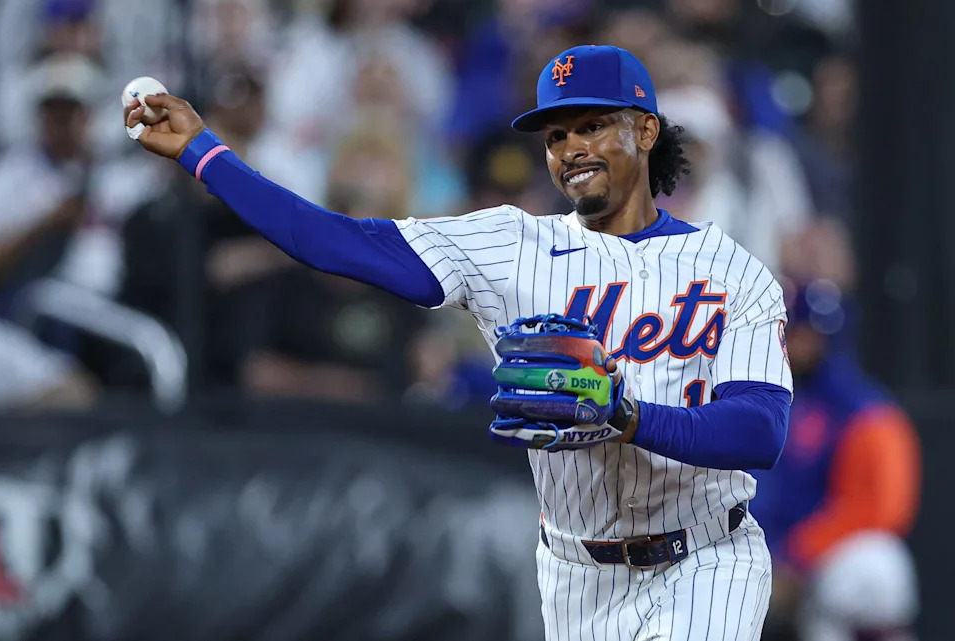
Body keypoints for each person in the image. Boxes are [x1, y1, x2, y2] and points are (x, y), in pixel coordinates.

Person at [124, 44, 792, 639]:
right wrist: (205, 154)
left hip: (706, 557)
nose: (571, 149)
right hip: (575, 573)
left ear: (645, 130)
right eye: (556, 135)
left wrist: (628, 415)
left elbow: (759, 429)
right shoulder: (511, 244)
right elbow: (332, 241)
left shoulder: (731, 269)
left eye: (591, 126)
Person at [754, 278, 920, 641]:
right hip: (747, 554)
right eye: (791, 332)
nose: (797, 343)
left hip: (816, 562)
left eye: (806, 333)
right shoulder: (750, 395)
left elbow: (879, 509)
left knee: (874, 568)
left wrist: (797, 555)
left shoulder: (865, 412)